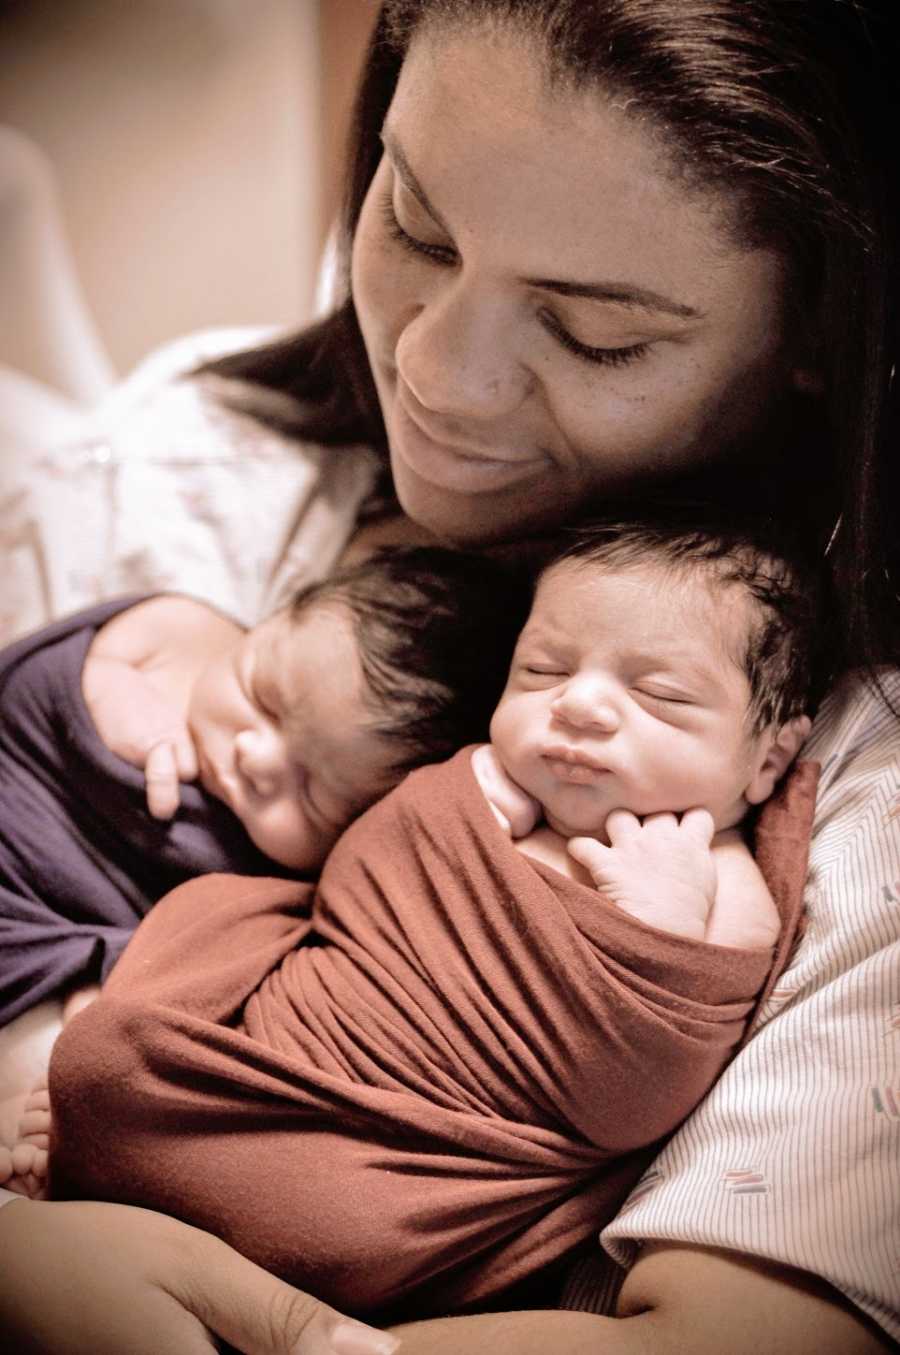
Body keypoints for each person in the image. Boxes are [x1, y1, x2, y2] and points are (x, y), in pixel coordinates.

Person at [0, 2, 897, 1353]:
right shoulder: (179, 471)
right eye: (413, 223)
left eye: (597, 335)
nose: (431, 371)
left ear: (820, 331)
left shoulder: (853, 798)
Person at [45, 513, 818, 1322]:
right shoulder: (471, 777)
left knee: (335, 1222)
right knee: (110, 1059)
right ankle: (88, 1152)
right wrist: (443, 812)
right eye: (543, 670)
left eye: (659, 694)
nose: (581, 704)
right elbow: (353, 884)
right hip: (280, 1045)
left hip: (402, 1159)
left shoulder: (723, 884)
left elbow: (635, 1096)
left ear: (765, 757)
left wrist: (655, 930)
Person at [0, 546, 530, 1194]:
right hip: (18, 798)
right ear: (276, 617)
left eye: (310, 791)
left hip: (54, 941)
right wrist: (118, 689)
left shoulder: (288, 872)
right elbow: (86, 655)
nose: (255, 753)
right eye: (263, 694)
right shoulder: (188, 630)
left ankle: (35, 1120)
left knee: (102, 1024)